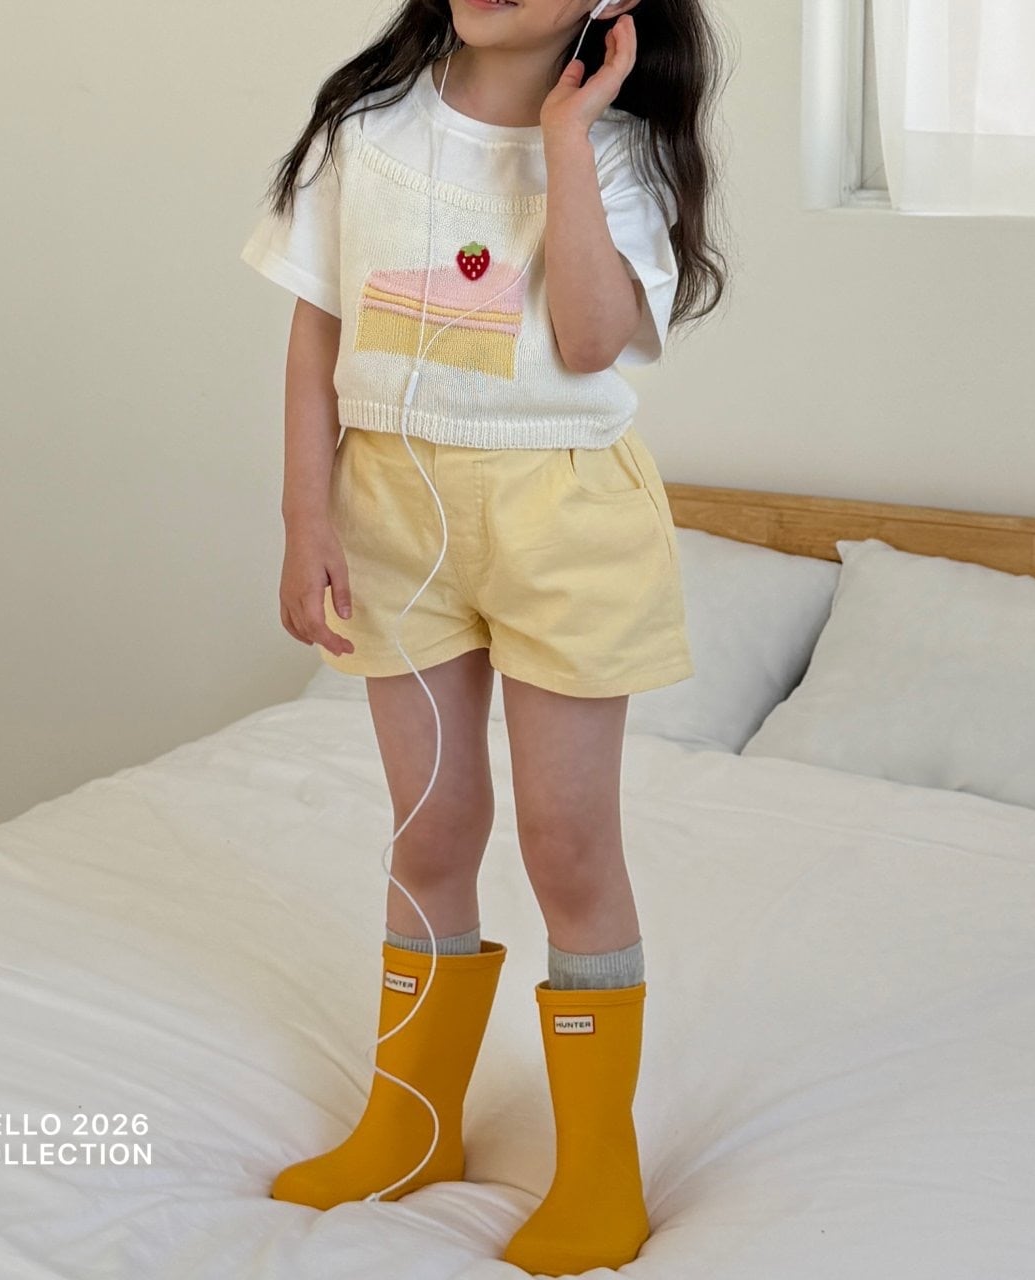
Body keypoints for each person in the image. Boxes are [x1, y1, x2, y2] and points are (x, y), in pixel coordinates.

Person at [240, 0, 727, 1271]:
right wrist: (305, 516)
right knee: (428, 826)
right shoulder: (366, 124)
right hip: (390, 503)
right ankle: (409, 1127)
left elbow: (585, 338)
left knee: (567, 844)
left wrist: (564, 138)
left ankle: (597, 1170)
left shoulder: (619, 147)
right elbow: (317, 324)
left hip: (560, 513)